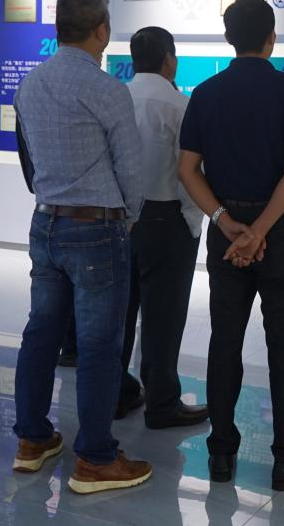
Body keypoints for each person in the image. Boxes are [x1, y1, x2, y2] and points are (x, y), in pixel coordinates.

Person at [177, 0, 284, 491]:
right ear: (272, 38)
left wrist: (227, 223)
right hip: (279, 231)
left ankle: (221, 454)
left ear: (228, 38)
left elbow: (187, 169)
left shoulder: (205, 93)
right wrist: (260, 230)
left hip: (227, 234)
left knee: (224, 342)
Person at [10, 0, 152, 494]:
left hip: (45, 222)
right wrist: (126, 218)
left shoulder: (30, 84)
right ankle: (95, 457)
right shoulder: (107, 89)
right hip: (96, 227)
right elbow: (130, 170)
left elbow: (29, 159)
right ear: (101, 31)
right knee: (98, 346)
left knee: (40, 333)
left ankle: (32, 440)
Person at [117, 26, 209, 429]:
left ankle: (117, 393)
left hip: (118, 218)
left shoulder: (117, 98)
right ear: (169, 59)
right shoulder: (180, 105)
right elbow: (189, 172)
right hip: (165, 217)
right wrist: (192, 220)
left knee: (119, 311)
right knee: (163, 317)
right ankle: (162, 402)